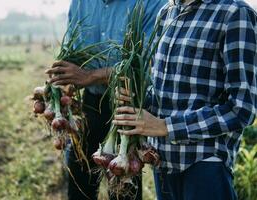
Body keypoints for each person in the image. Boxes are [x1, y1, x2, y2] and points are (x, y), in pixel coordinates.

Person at [113, 0, 257, 199]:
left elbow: (242, 109)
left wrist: (166, 126)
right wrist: (137, 99)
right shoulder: (166, 12)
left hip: (205, 165)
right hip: (163, 165)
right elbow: (164, 93)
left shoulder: (235, 13)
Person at [45, 0, 166, 199]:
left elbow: (146, 66)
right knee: (79, 183)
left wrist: (90, 75)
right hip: (91, 104)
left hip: (128, 106)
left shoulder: (152, 3)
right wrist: (64, 78)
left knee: (123, 185)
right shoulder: (81, 3)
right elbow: (72, 50)